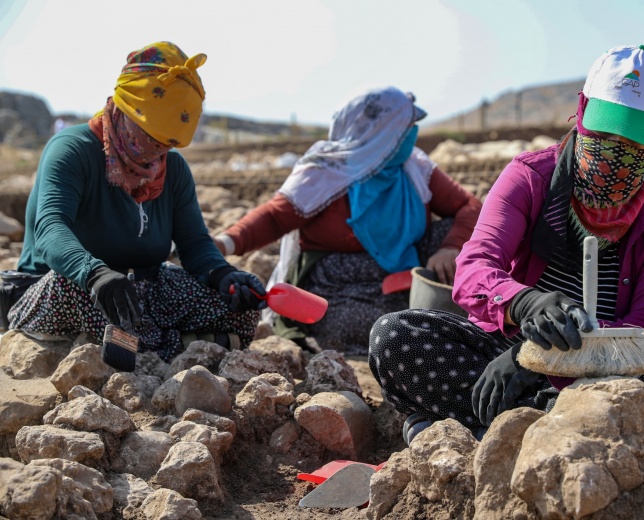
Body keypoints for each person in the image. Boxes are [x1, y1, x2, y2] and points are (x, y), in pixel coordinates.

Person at [369, 45, 644, 444]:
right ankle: (548, 430)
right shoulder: (529, 176)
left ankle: (476, 428)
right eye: (604, 128)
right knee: (396, 336)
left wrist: (545, 359)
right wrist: (524, 304)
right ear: (582, 111)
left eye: (633, 137)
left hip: (605, 363)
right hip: (503, 348)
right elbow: (474, 268)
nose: (613, 147)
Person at [4, 41, 267, 362]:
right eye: (150, 135)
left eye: (166, 143)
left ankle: (144, 346)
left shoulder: (174, 170)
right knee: (72, 290)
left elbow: (195, 244)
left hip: (141, 289)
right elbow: (50, 228)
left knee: (240, 306)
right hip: (66, 286)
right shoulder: (72, 150)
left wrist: (223, 276)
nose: (157, 149)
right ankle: (186, 347)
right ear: (127, 110)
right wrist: (96, 274)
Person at [213, 86, 482, 354]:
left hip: (409, 264)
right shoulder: (325, 172)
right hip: (342, 284)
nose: (412, 133)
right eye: (406, 126)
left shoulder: (415, 167)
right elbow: (274, 218)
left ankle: (443, 315)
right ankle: (429, 324)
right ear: (381, 133)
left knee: (465, 241)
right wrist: (224, 244)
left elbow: (469, 205)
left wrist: (451, 247)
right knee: (361, 325)